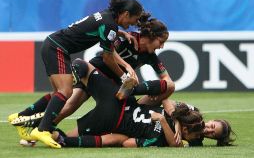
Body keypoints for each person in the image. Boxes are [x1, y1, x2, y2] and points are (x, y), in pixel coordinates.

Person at [8, 0, 143, 149]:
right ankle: (43, 130)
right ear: (125, 14)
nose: (133, 24)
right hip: (57, 48)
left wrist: (120, 33)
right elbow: (107, 57)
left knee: (57, 95)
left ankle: (21, 117)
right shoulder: (110, 24)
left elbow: (101, 31)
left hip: (52, 45)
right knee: (66, 91)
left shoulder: (107, 16)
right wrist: (124, 76)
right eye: (134, 19)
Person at [14, 59, 204, 148]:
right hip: (117, 109)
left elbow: (128, 142)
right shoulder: (172, 126)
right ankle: (45, 132)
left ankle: (41, 126)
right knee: (71, 127)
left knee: (81, 68)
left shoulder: (164, 139)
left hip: (118, 103)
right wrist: (169, 119)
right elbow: (165, 96)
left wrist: (164, 120)